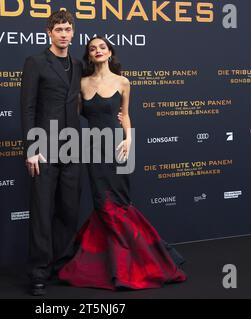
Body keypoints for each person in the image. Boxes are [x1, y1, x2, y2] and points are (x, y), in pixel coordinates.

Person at [58, 36, 187, 290]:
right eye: (92, 48)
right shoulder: (82, 83)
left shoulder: (123, 82)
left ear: (109, 52)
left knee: (120, 203)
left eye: (101, 47)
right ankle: (116, 262)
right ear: (89, 55)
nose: (97, 51)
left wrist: (129, 140)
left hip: (119, 147)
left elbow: (125, 115)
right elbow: (71, 116)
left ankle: (132, 261)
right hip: (94, 148)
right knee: (103, 205)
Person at [20, 10, 83, 296]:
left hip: (73, 147)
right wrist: (31, 149)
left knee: (69, 211)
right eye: (59, 29)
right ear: (49, 32)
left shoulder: (78, 64)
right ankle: (39, 272)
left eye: (68, 29)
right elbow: (28, 108)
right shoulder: (35, 62)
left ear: (73, 32)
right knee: (42, 212)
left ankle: (61, 265)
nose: (64, 34)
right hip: (43, 148)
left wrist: (120, 115)